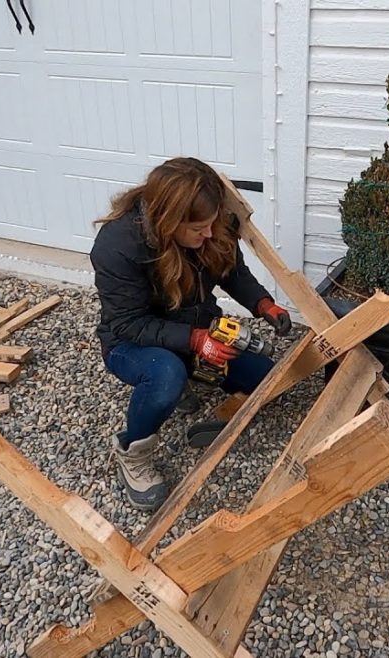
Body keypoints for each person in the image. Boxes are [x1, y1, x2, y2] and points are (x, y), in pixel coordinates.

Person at [90, 157, 292, 511]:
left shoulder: (211, 222)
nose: (210, 234)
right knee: (166, 373)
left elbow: (232, 272)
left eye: (213, 225)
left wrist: (263, 304)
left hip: (195, 326)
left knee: (267, 378)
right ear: (170, 221)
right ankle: (132, 452)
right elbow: (128, 324)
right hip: (131, 342)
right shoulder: (117, 246)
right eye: (199, 229)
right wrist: (197, 341)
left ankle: (191, 380)